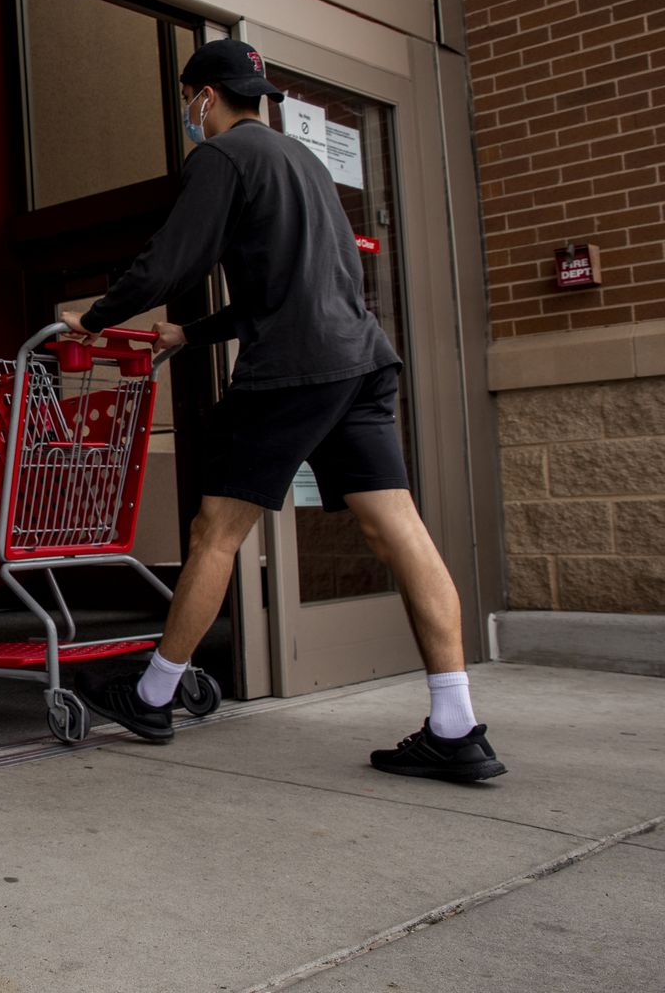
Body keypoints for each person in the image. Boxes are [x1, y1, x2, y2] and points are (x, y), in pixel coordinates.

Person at [59, 39, 505, 783]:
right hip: (361, 359)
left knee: (216, 532)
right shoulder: (307, 165)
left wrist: (96, 319)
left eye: (185, 100)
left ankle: (151, 694)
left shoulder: (222, 159)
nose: (186, 115)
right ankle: (456, 726)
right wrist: (192, 333)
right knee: (398, 529)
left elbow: (173, 260)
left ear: (204, 96)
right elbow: (292, 285)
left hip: (296, 370)